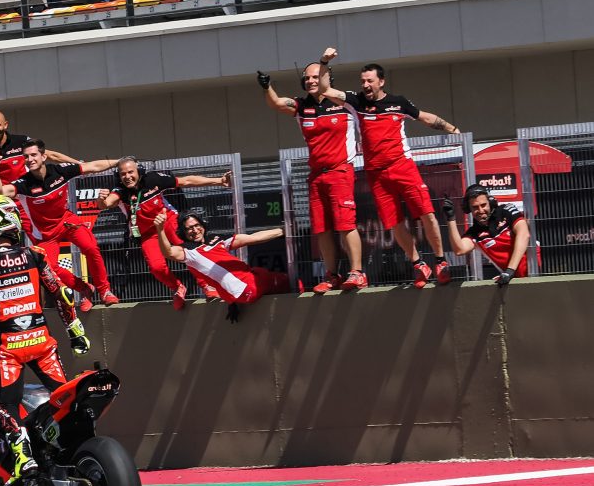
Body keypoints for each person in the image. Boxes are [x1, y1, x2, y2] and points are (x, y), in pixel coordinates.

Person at [0, 194, 90, 483]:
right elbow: (61, 293)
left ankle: (23, 453)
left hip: (8, 349)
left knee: (4, 406)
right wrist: (75, 330)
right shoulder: (35, 254)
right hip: (42, 342)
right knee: (63, 398)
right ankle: (70, 445)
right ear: (8, 220)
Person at [317, 49, 459, 288]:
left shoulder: (398, 102)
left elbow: (425, 117)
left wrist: (452, 129)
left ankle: (440, 261)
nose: (365, 85)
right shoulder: (356, 102)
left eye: (370, 81)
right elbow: (325, 90)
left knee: (427, 213)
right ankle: (418, 264)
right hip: (377, 174)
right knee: (393, 223)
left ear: (381, 81)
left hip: (402, 166)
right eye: (362, 81)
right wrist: (324, 62)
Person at [0, 112, 89, 309]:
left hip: (25, 203)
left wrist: (79, 165)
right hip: (2, 205)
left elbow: (52, 155)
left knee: (42, 259)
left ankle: (82, 288)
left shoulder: (22, 142)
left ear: (5, 125)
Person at [258, 60, 365, 292]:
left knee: (346, 224)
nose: (311, 81)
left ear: (327, 78)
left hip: (341, 171)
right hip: (316, 175)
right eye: (307, 78)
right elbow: (276, 103)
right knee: (322, 228)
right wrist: (267, 87)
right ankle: (332, 275)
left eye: (316, 77)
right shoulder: (301, 105)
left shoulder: (344, 101)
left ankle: (357, 273)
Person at [0, 139, 122, 306]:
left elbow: (93, 166)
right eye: (26, 157)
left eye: (34, 155)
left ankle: (105, 291)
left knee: (91, 247)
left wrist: (119, 162)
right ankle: (85, 288)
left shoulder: (60, 171)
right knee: (49, 269)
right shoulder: (23, 183)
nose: (30, 159)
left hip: (67, 221)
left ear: (44, 156)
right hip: (46, 234)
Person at [96, 157, 232, 309]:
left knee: (189, 251)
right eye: (123, 174)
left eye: (130, 172)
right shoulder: (120, 189)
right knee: (156, 267)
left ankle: (207, 285)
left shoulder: (153, 179)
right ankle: (178, 288)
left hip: (167, 220)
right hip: (147, 233)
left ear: (139, 171)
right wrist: (101, 200)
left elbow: (186, 181)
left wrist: (219, 181)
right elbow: (106, 204)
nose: (127, 177)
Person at [154, 210, 291, 321]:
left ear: (203, 225)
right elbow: (169, 253)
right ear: (183, 233)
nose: (195, 230)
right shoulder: (188, 252)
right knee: (289, 281)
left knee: (259, 272)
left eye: (197, 225)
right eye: (189, 228)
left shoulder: (216, 241)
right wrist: (160, 230)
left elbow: (251, 238)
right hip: (249, 288)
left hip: (245, 288)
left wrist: (283, 231)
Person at [441, 185, 529, 285]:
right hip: (513, 279)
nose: (481, 210)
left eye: (483, 205)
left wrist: (510, 271)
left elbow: (524, 234)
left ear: (490, 202)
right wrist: (451, 219)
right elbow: (459, 250)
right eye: (475, 207)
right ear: (468, 209)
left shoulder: (506, 210)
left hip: (535, 269)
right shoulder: (474, 233)